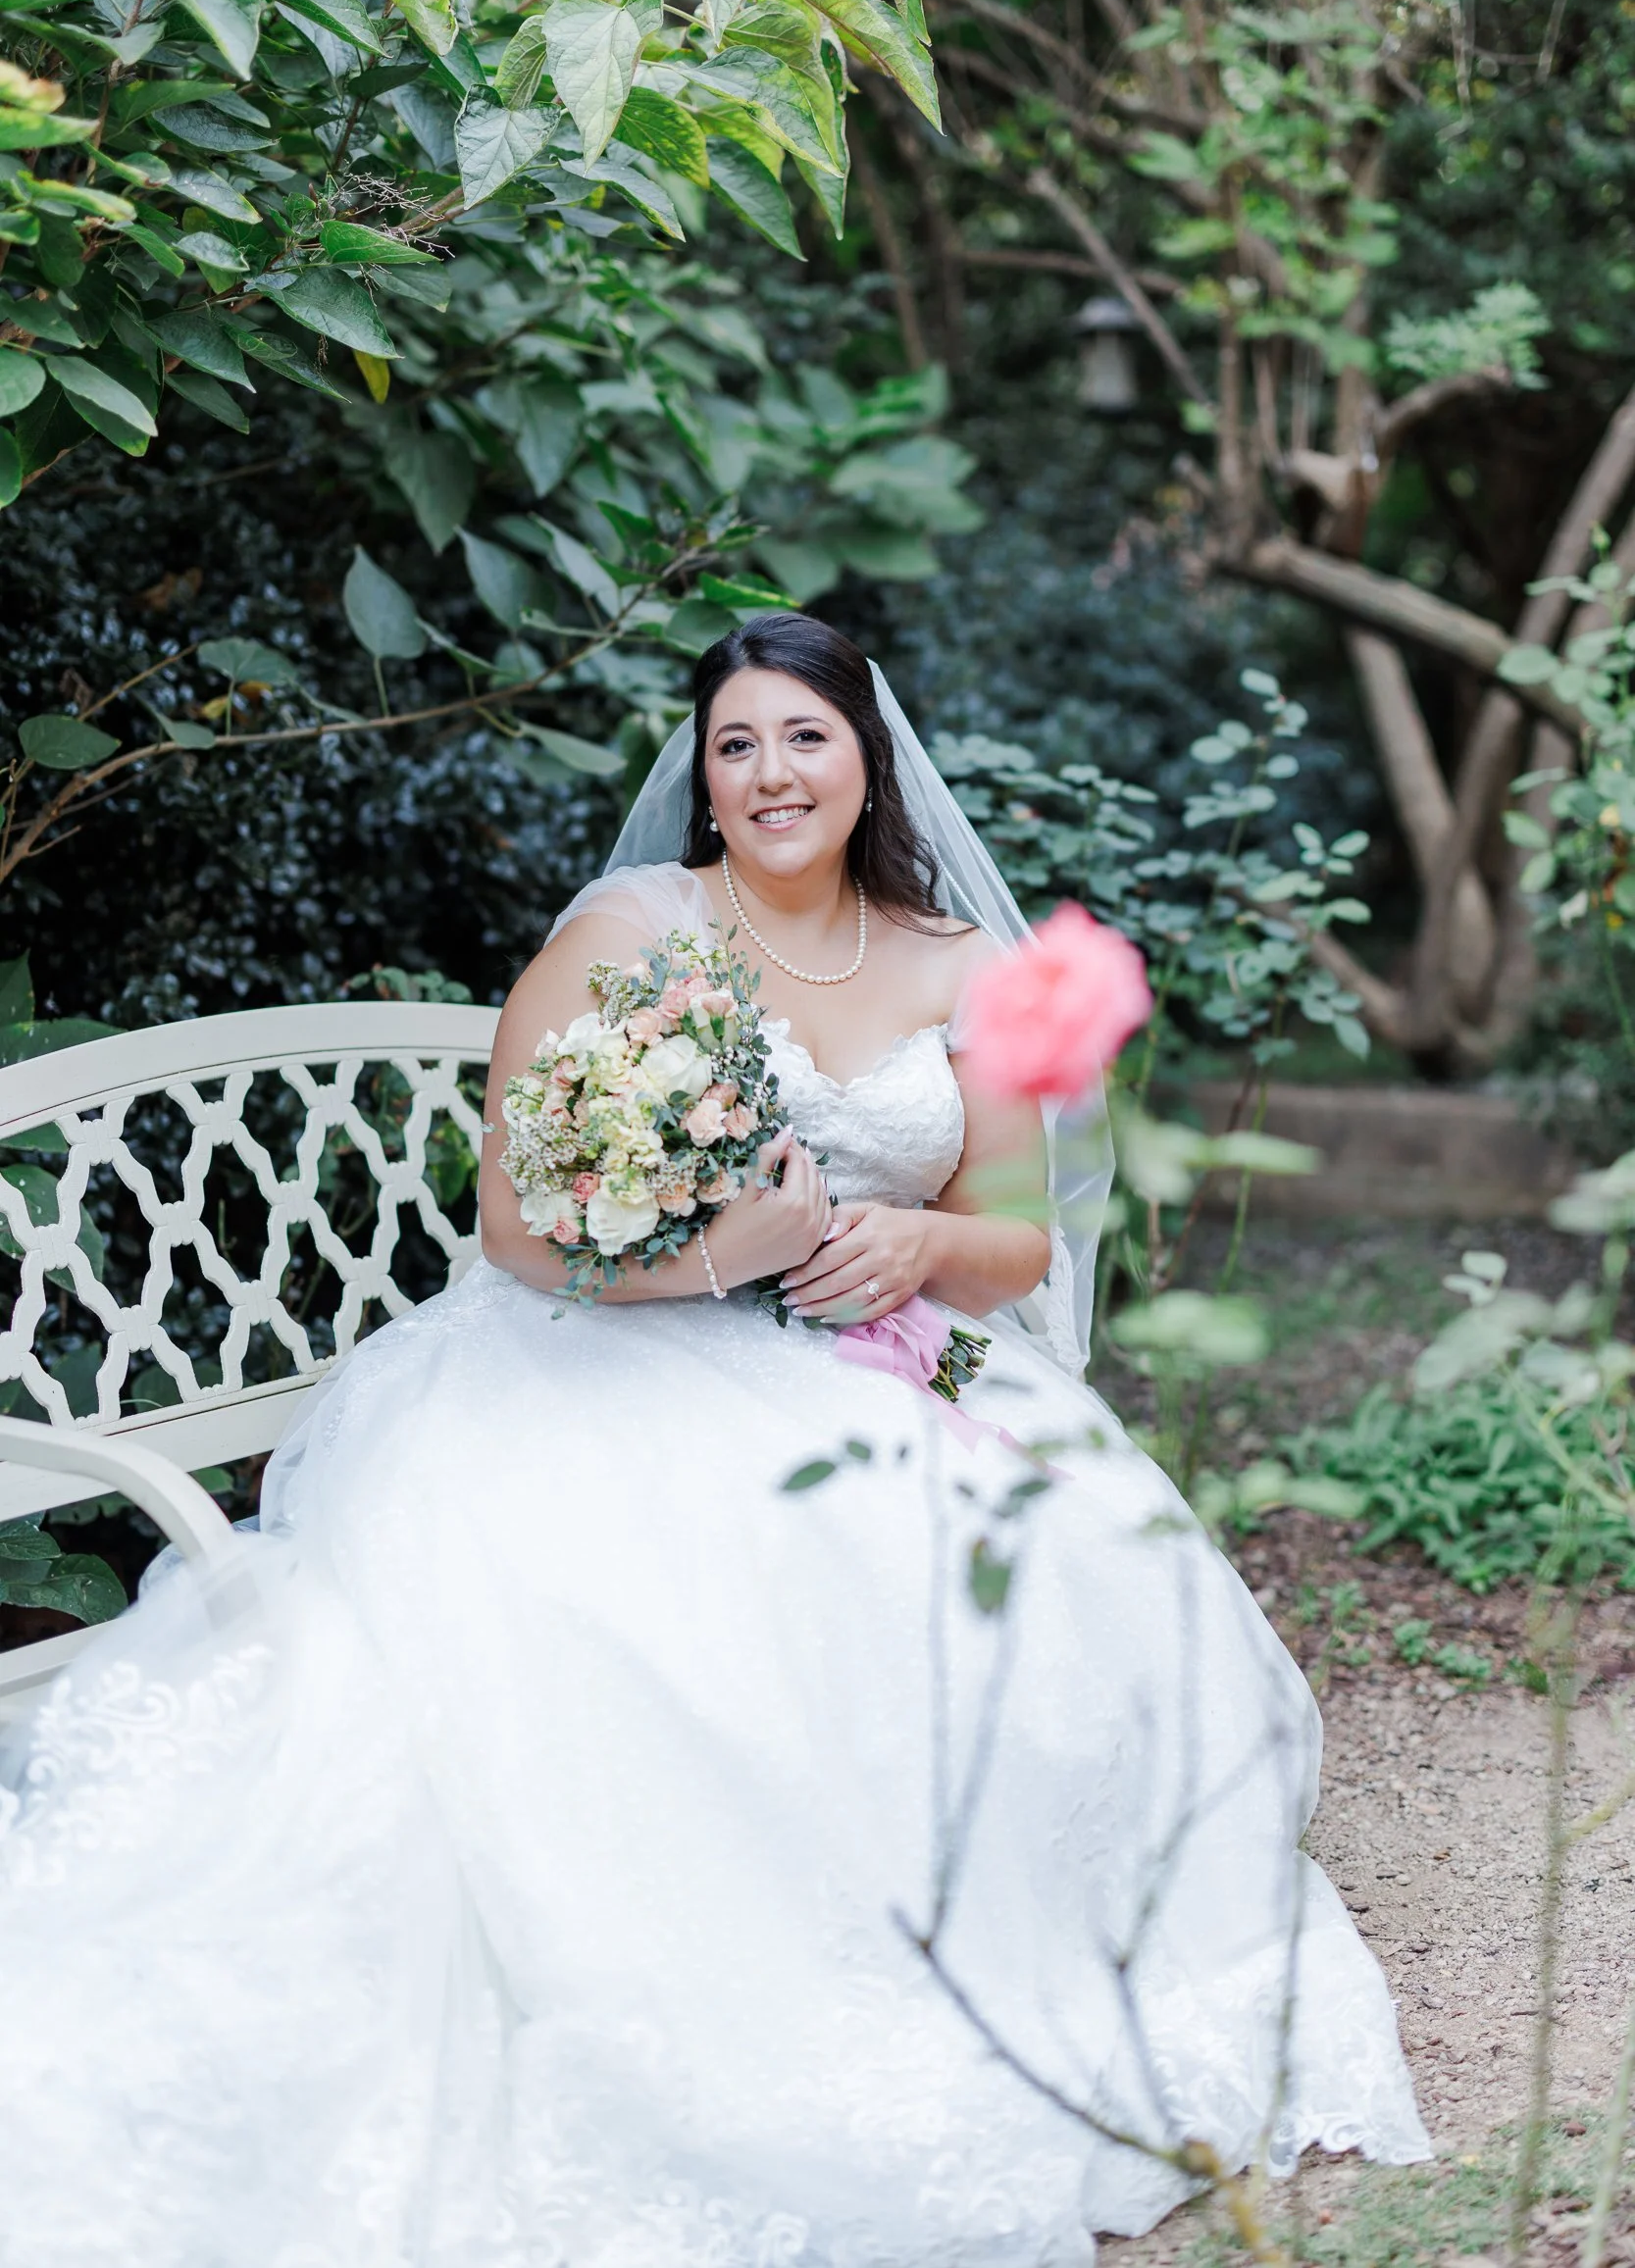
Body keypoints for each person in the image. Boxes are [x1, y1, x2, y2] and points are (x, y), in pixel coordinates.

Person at [0, 616, 1428, 2266]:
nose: (770, 773)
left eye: (803, 738)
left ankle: (974, 1958)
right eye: (735, 743)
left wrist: (914, 1249)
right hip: (604, 1364)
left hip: (883, 1356)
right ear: (701, 773)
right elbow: (523, 1234)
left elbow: (1015, 1237)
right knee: (699, 1586)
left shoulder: (961, 963)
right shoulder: (629, 935)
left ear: (865, 760)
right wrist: (713, 1257)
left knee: (1032, 1570)